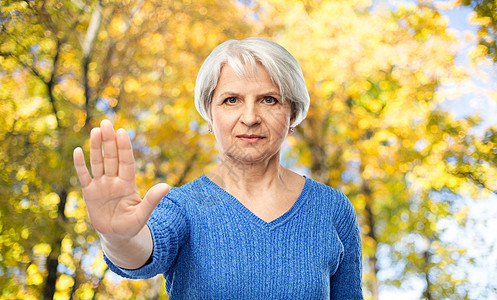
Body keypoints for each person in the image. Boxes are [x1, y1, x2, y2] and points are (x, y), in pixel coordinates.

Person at [73, 37, 363, 299]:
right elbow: (141, 251)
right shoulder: (182, 206)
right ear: (209, 116)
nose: (250, 117)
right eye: (231, 100)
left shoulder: (333, 209)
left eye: (269, 99)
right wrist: (117, 238)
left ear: (293, 114)